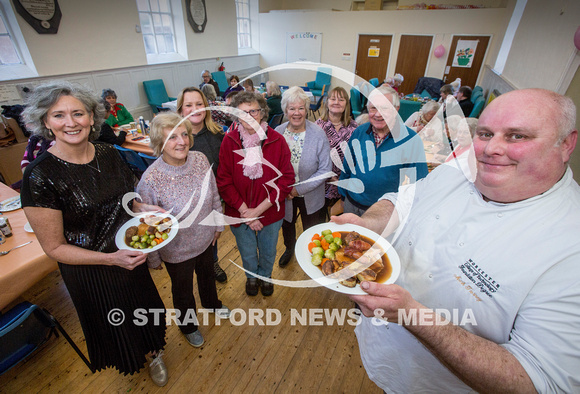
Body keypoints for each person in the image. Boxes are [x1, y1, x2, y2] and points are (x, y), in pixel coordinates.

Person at [332, 88, 580, 393]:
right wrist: (366, 224)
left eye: (517, 136)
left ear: (567, 144)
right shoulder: (459, 168)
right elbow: (404, 199)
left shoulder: (571, 244)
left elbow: (540, 381)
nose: (492, 149)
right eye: (486, 133)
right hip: (383, 357)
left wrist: (411, 315)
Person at [20, 81, 168, 386]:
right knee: (117, 325)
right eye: (58, 115)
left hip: (130, 254)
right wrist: (111, 260)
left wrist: (143, 209)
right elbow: (55, 248)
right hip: (91, 270)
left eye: (78, 113)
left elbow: (128, 197)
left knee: (144, 311)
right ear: (45, 121)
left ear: (92, 117)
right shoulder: (39, 175)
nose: (71, 123)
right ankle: (132, 360)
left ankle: (155, 353)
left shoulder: (108, 152)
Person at [137, 112, 230, 348]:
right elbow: (148, 227)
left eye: (184, 134)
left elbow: (213, 194)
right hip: (176, 250)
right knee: (183, 291)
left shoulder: (199, 159)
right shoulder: (151, 180)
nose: (181, 142)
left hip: (206, 238)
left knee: (207, 277)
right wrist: (154, 257)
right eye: (172, 138)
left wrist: (218, 224)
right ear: (159, 144)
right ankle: (188, 326)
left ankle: (212, 304)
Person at [216, 91, 294, 296]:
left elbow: (286, 179)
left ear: (262, 112)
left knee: (268, 251)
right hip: (239, 211)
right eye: (243, 112)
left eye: (253, 111)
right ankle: (251, 277)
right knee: (248, 252)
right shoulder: (229, 140)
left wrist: (258, 211)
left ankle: (265, 276)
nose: (249, 116)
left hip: (269, 211)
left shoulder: (277, 140)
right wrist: (246, 213)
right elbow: (223, 181)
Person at [338, 85, 428, 216]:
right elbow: (347, 166)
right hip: (351, 205)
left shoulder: (411, 140)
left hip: (383, 213)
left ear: (396, 109)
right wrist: (342, 196)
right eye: (374, 108)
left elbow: (419, 182)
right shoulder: (359, 132)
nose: (378, 114)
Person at [275, 86, 332, 267]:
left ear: (307, 109)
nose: (296, 113)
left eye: (301, 108)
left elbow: (325, 170)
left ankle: (313, 257)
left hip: (311, 194)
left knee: (313, 230)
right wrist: (286, 190)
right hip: (285, 195)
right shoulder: (278, 132)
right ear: (285, 110)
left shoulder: (318, 134)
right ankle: (289, 249)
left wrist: (297, 189)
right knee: (287, 225)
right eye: (292, 108)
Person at [177, 86, 227, 282]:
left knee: (211, 239)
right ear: (181, 109)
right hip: (183, 204)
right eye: (188, 105)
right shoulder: (174, 138)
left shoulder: (218, 134)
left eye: (199, 104)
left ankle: (212, 262)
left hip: (210, 202)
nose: (194, 109)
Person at [315, 86, 357, 211]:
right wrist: (330, 177)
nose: (337, 102)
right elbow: (312, 158)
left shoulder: (355, 127)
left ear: (347, 104)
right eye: (333, 99)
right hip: (322, 183)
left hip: (347, 184)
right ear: (327, 103)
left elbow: (358, 157)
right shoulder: (317, 127)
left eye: (341, 99)